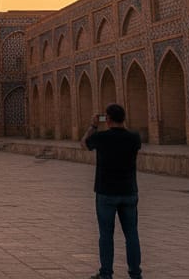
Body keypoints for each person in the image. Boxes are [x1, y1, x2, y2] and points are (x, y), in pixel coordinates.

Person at [82, 102, 143, 279]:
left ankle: (106, 274)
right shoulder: (134, 138)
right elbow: (129, 136)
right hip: (129, 192)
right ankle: (135, 274)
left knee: (106, 236)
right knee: (132, 234)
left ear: (107, 120)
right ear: (124, 118)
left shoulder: (102, 137)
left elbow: (84, 144)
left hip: (106, 193)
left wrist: (93, 125)